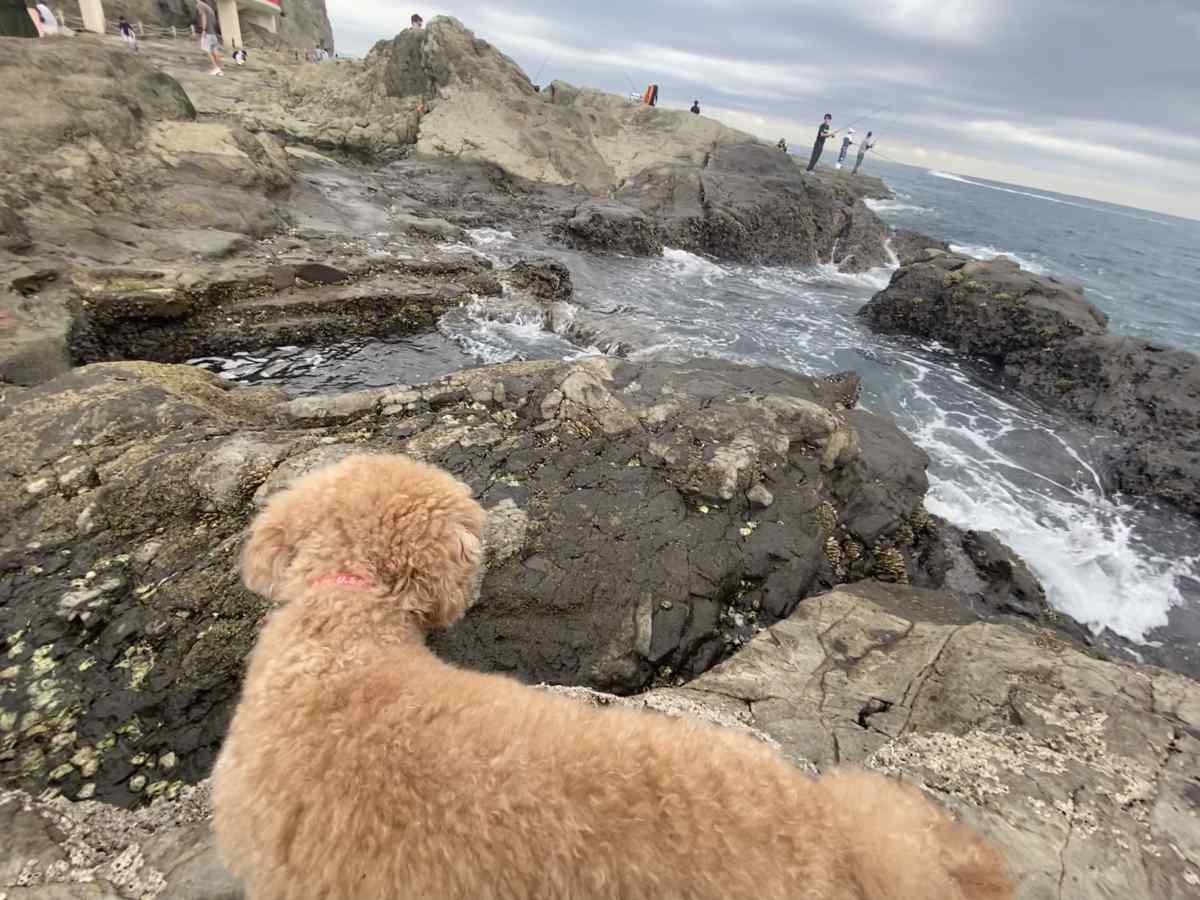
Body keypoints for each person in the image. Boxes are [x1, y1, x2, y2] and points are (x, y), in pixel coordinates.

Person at [194, 0, 223, 75]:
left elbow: (204, 17)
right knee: (215, 51)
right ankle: (219, 69)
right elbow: (214, 22)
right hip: (213, 33)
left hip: (208, 33)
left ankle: (215, 67)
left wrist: (204, 30)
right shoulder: (210, 9)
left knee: (208, 50)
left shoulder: (200, 5)